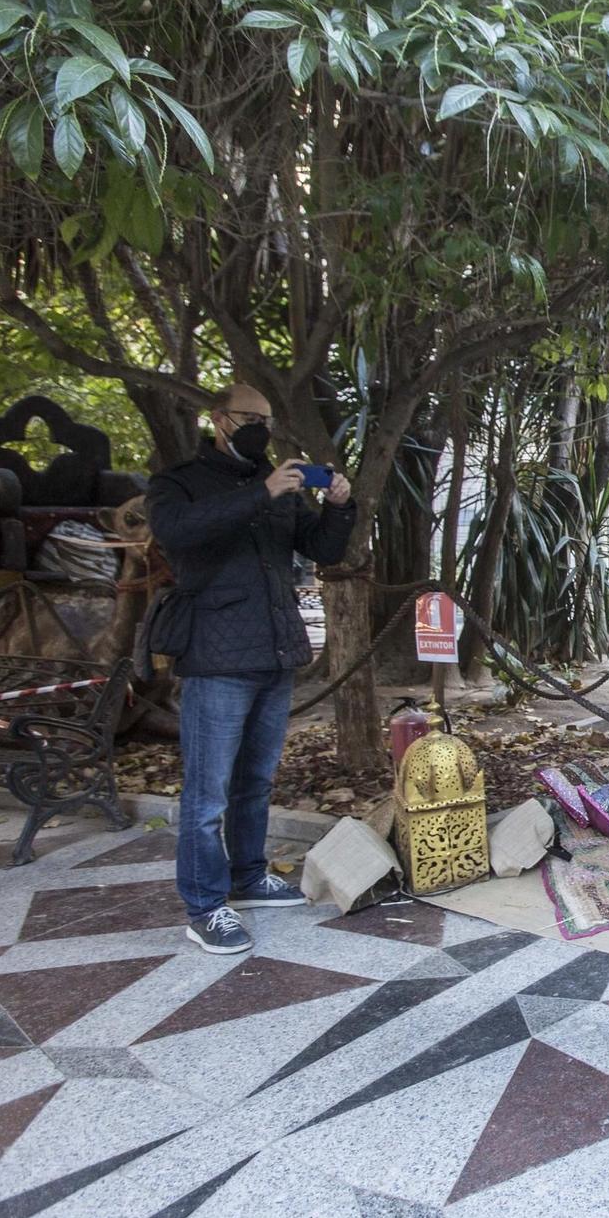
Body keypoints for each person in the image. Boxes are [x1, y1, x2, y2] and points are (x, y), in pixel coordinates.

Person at [148, 382, 355, 954]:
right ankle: (205, 906)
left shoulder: (282, 486)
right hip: (215, 656)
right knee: (208, 791)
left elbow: (321, 549)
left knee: (256, 782)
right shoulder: (179, 483)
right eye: (249, 417)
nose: (260, 427)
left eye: (267, 418)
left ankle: (247, 876)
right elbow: (179, 534)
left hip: (276, 650)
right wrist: (261, 492)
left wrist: (340, 506)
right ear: (219, 420)